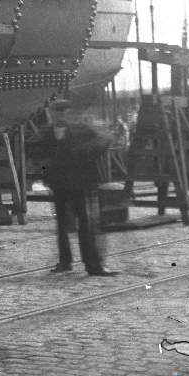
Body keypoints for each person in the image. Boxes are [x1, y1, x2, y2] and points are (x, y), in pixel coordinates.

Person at [30, 99, 117, 277]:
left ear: (68, 113)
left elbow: (106, 139)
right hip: (58, 183)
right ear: (51, 113)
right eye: (56, 112)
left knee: (85, 223)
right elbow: (32, 149)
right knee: (61, 224)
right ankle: (65, 262)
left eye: (63, 112)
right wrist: (44, 164)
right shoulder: (46, 132)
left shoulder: (82, 129)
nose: (60, 116)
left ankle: (93, 265)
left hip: (80, 183)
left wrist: (85, 153)